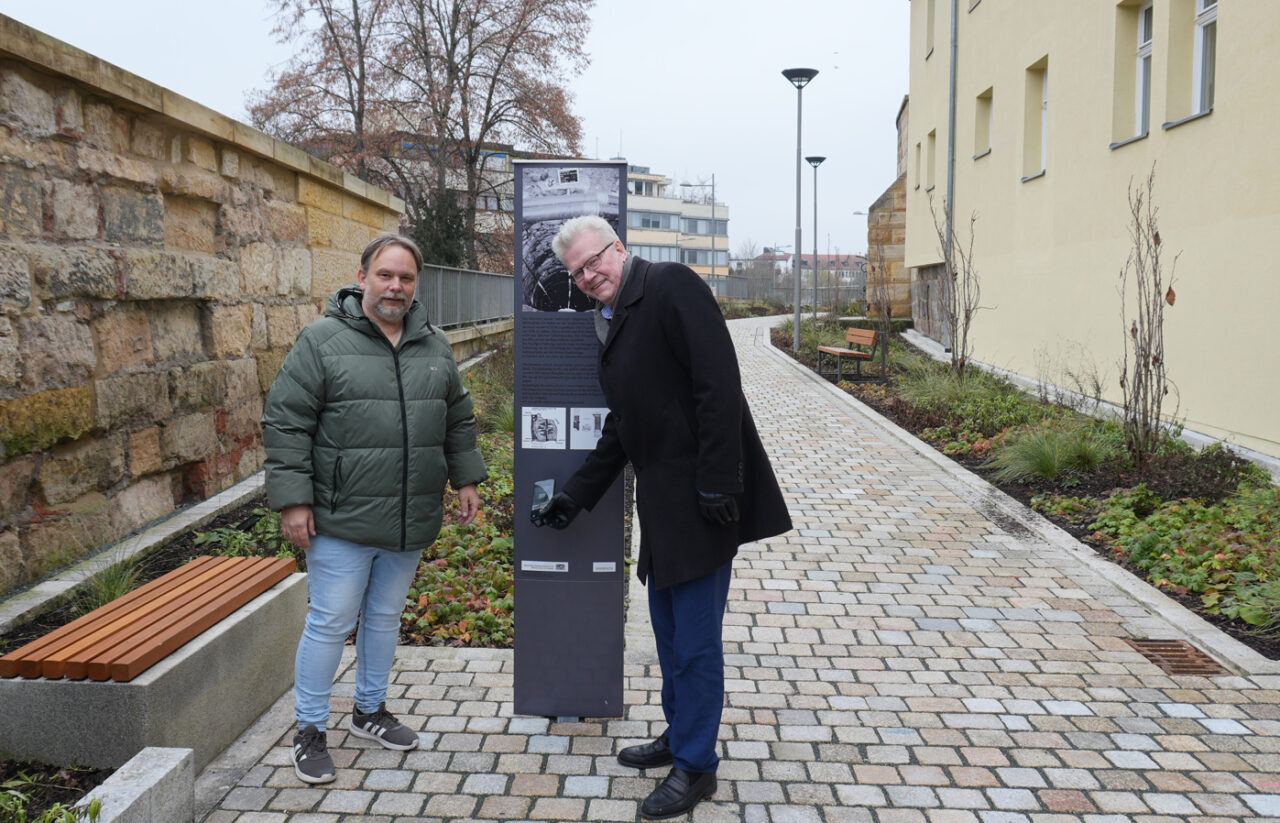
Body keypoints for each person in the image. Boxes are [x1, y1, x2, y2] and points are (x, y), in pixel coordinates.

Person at [531, 215, 792, 820]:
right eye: (578, 272)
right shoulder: (617, 319)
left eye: (595, 260)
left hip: (703, 502)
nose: (589, 275)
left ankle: (697, 767)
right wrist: (577, 494)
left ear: (619, 248)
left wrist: (717, 480)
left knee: (696, 645)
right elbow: (624, 424)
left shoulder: (672, 284)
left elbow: (718, 384)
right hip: (664, 505)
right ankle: (680, 737)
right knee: (671, 635)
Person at [262, 233, 487, 785]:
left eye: (406, 278)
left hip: (409, 514)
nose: (395, 286)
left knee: (384, 619)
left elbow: (456, 417)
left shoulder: (432, 344)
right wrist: (293, 500)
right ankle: (310, 729)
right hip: (341, 516)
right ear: (362, 278)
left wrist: (467, 478)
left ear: (416, 286)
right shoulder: (320, 342)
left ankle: (370, 712)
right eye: (385, 275)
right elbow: (287, 422)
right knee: (332, 621)